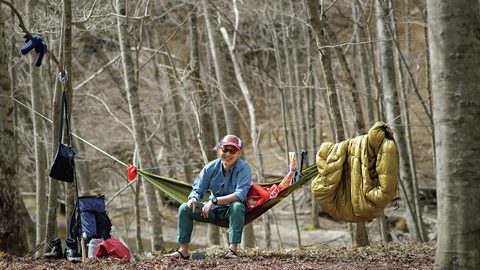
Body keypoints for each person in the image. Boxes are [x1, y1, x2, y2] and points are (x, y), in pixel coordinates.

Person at [168, 135, 252, 259]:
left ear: (238, 153)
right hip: (211, 211)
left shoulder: (244, 168)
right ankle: (183, 250)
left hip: (231, 212)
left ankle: (232, 250)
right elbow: (198, 189)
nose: (228, 154)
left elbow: (240, 194)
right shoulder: (210, 168)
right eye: (225, 150)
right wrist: (193, 198)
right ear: (219, 150)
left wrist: (215, 200)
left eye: (232, 151)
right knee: (184, 208)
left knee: (238, 206)